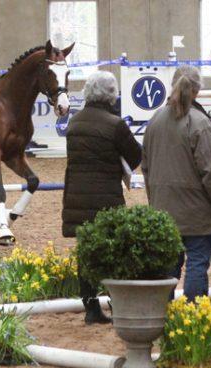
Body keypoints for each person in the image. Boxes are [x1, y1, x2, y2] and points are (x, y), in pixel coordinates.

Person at [142, 65, 211, 301]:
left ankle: (163, 314)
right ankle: (194, 316)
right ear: (197, 91)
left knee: (169, 267)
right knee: (196, 262)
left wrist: (155, 201)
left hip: (163, 209)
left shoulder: (154, 121)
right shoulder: (200, 123)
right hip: (197, 211)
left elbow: (145, 167)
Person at [61, 71, 142, 324]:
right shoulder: (115, 124)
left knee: (85, 254)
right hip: (106, 198)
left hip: (77, 197)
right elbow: (136, 156)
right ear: (111, 95)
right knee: (114, 253)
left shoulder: (74, 123)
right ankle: (118, 305)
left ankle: (91, 309)